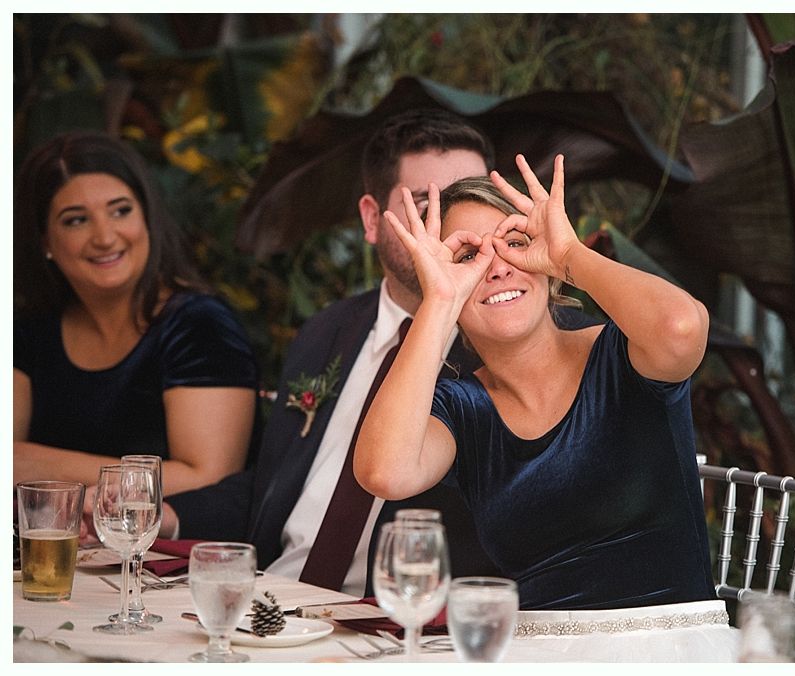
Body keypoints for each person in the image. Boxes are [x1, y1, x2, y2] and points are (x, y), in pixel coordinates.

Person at [164, 110, 599, 595]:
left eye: (466, 198)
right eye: (423, 205)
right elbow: (278, 485)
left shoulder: (525, 344)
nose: (448, 226)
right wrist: (172, 516)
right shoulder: (327, 331)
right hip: (270, 596)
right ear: (371, 218)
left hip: (401, 621)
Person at [355, 154, 716, 610]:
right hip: (535, 651)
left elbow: (682, 328)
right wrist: (440, 301)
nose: (498, 267)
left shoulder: (624, 355)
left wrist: (569, 256)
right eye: (468, 257)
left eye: (514, 243)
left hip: (669, 650)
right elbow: (384, 471)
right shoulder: (463, 409)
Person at [13, 131, 259, 497]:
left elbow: (209, 478)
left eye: (121, 211)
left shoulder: (199, 325)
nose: (105, 237)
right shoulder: (31, 327)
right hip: (53, 550)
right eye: (76, 220)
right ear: (46, 241)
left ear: (146, 217)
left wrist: (40, 467)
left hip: (174, 550)